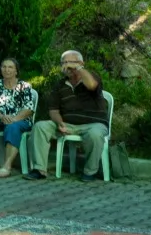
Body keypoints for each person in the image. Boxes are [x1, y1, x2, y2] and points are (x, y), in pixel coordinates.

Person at [27, 51, 111, 182]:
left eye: (71, 62)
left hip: (93, 124)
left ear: (81, 64)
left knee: (95, 134)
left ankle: (90, 171)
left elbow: (92, 85)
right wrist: (60, 123)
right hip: (68, 124)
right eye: (64, 63)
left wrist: (78, 69)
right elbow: (53, 110)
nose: (67, 66)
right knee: (40, 126)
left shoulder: (92, 77)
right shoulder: (60, 85)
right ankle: (39, 169)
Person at [0, 58, 37, 177]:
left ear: (16, 71)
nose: (7, 70)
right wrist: (2, 116)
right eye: (4, 67)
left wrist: (14, 119)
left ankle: (6, 166)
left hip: (19, 120)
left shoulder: (24, 86)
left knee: (12, 128)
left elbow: (29, 109)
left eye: (10, 67)